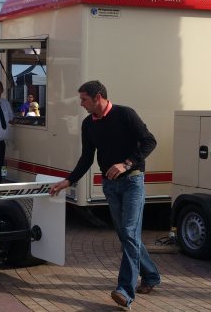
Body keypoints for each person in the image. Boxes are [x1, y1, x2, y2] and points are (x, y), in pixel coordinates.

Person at [49, 80, 160, 310]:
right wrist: (68, 181)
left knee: (129, 233)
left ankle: (124, 291)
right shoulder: (88, 124)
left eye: (84, 99)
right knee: (126, 236)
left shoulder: (126, 114)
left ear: (97, 97)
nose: (81, 104)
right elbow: (87, 157)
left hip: (132, 182)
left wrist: (126, 163)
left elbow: (150, 141)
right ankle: (151, 275)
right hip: (110, 186)